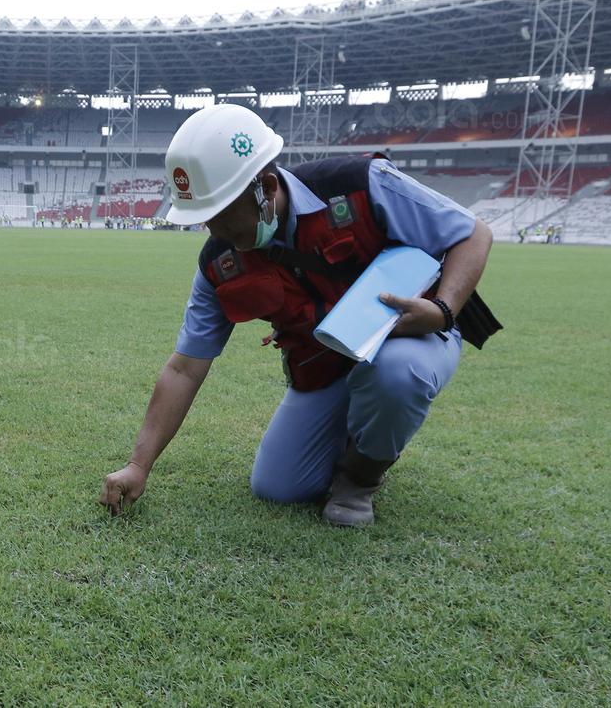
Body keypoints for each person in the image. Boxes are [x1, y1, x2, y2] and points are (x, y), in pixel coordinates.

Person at [98, 104, 498, 527]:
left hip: (409, 339)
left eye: (225, 222)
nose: (216, 235)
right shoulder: (219, 264)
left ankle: (360, 478)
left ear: (266, 188)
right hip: (324, 364)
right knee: (278, 487)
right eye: (204, 222)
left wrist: (442, 310)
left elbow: (473, 233)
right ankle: (360, 426)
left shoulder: (360, 185)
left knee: (397, 375)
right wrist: (138, 464)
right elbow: (184, 369)